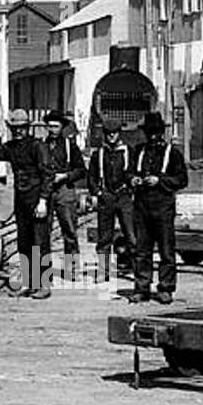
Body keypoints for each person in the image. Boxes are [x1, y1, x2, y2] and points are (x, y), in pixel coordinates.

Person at [0, 108, 55, 298]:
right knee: (24, 244)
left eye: (21, 128)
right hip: (21, 201)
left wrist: (43, 201)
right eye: (14, 128)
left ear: (28, 127)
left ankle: (44, 285)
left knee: (41, 244)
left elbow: (48, 175)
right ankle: (29, 283)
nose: (18, 131)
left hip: (37, 199)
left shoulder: (38, 146)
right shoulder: (12, 147)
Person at [129, 110, 189, 304]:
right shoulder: (139, 151)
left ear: (162, 133)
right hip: (141, 206)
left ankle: (165, 288)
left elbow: (181, 179)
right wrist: (134, 179)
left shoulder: (173, 153)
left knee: (166, 250)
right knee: (142, 250)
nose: (153, 136)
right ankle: (141, 287)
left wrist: (159, 180)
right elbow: (128, 172)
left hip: (163, 206)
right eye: (149, 132)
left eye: (156, 132)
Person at [86, 119, 135, 283]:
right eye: (108, 133)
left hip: (124, 197)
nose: (111, 136)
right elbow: (91, 177)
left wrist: (131, 190)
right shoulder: (98, 154)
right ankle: (103, 271)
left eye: (114, 133)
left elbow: (134, 172)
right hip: (106, 197)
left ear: (119, 133)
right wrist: (97, 192)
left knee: (131, 235)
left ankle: (137, 269)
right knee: (104, 237)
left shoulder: (128, 151)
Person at [43, 110, 86, 279]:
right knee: (42, 232)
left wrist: (66, 176)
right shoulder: (41, 145)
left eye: (56, 126)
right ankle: (44, 271)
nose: (52, 129)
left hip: (65, 191)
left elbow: (81, 170)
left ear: (62, 128)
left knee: (69, 231)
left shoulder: (70, 146)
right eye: (50, 126)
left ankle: (72, 269)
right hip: (45, 192)